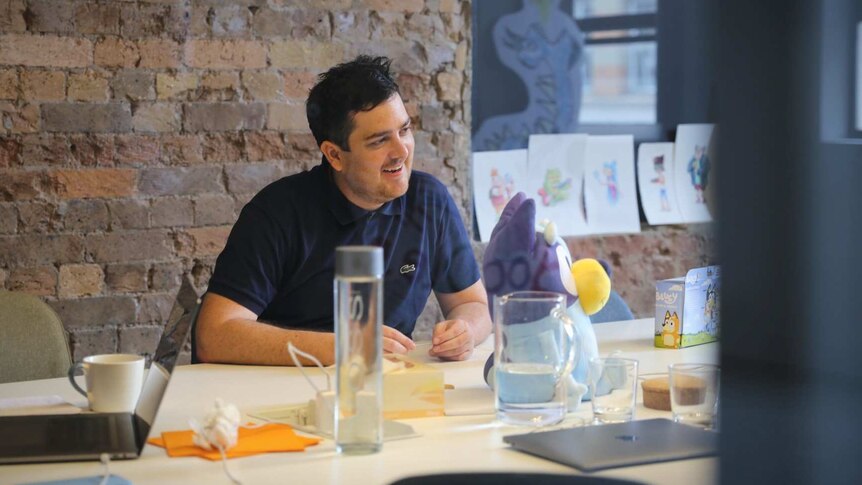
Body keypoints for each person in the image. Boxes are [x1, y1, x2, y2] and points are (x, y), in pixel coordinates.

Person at [195, 56, 492, 366]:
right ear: (334, 155)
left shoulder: (429, 200)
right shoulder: (277, 213)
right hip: (284, 391)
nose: (401, 152)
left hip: (385, 390)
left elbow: (473, 304)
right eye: (380, 141)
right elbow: (214, 335)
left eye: (404, 130)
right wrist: (345, 347)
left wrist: (466, 330)